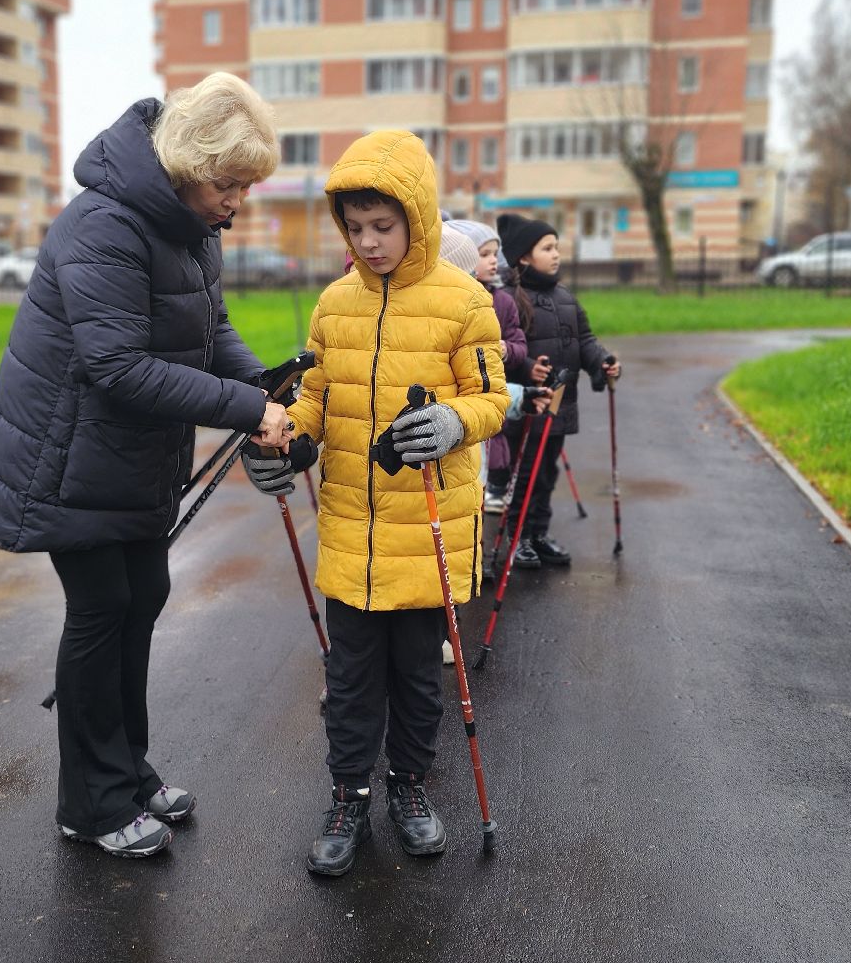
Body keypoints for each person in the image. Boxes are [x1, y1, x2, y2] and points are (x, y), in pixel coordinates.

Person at [0, 73, 290, 859]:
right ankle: (92, 801)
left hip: (127, 458)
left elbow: (211, 331)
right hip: (65, 458)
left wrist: (265, 383)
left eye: (246, 185)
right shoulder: (104, 224)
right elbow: (118, 365)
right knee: (103, 609)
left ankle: (128, 773)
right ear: (185, 163)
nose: (237, 200)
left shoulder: (189, 227)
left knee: (143, 593)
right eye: (228, 182)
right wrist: (248, 411)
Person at [242, 130, 508, 876]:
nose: (367, 242)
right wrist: (286, 444)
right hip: (352, 533)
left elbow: (492, 398)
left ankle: (410, 787)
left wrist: (456, 420)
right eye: (355, 229)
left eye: (381, 228)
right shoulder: (334, 303)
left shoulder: (466, 301)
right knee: (352, 678)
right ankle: (349, 794)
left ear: (417, 220)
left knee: (417, 676)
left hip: (428, 527)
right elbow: (319, 400)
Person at [495, 214, 621, 571]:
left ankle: (537, 533)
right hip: (528, 404)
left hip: (560, 404)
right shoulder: (508, 299)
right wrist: (525, 367)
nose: (556, 255)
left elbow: (585, 341)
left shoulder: (566, 297)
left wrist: (603, 362)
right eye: (547, 248)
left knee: (546, 474)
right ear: (522, 256)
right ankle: (517, 538)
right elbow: (502, 349)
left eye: (556, 247)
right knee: (524, 475)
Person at [441, 219, 527, 516]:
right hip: (458, 404)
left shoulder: (501, 301)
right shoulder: (452, 302)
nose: (494, 261)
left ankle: (493, 489)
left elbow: (518, 342)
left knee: (494, 442)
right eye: (485, 254)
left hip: (493, 391)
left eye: (495, 254)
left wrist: (507, 349)